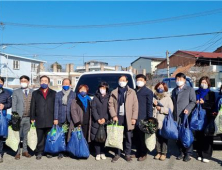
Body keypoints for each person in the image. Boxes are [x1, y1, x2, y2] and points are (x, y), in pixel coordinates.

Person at [109, 75, 138, 163]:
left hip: (128, 117)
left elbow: (135, 105)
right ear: (118, 81)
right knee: (118, 136)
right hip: (118, 117)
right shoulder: (114, 92)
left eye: (124, 80)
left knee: (128, 136)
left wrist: (134, 117)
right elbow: (110, 105)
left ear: (127, 81)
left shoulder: (131, 92)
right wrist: (113, 115)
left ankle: (127, 154)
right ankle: (117, 153)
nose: (122, 81)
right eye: (120, 80)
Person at [30, 75, 56, 160]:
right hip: (39, 118)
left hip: (50, 118)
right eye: (42, 81)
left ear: (48, 82)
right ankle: (39, 152)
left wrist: (55, 118)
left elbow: (56, 107)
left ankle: (48, 151)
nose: (44, 82)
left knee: (48, 137)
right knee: (40, 136)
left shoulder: (53, 93)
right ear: (40, 82)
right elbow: (32, 106)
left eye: (45, 81)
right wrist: (32, 117)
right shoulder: (35, 93)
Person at [171, 73, 196, 162]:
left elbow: (193, 102)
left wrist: (188, 109)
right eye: (177, 79)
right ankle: (181, 152)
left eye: (180, 79)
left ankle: (188, 153)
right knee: (178, 136)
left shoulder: (190, 89)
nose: (179, 81)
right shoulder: (174, 90)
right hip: (176, 116)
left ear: (185, 80)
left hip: (186, 116)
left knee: (186, 134)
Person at [54, 78, 76, 160]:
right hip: (61, 118)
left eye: (67, 83)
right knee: (61, 135)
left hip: (70, 118)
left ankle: (68, 150)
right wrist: (55, 118)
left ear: (70, 85)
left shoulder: (74, 94)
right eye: (64, 83)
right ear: (62, 84)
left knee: (69, 135)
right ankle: (61, 151)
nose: (66, 85)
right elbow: (56, 106)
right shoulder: (58, 94)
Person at [12, 75, 33, 160]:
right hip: (19, 118)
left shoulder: (32, 92)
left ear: (28, 82)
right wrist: (14, 117)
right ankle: (17, 152)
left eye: (25, 81)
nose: (23, 82)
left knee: (26, 135)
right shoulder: (16, 92)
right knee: (17, 135)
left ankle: (25, 151)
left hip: (28, 117)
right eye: (22, 81)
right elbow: (14, 105)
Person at [195, 76, 215, 163]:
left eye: (205, 83)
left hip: (207, 117)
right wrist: (195, 102)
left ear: (208, 84)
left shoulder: (211, 93)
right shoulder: (196, 92)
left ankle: (206, 155)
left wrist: (204, 103)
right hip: (197, 117)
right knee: (199, 136)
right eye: (202, 82)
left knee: (207, 136)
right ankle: (199, 153)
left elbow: (212, 105)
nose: (203, 84)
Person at [134, 74, 153, 161]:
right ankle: (138, 152)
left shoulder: (148, 92)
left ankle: (143, 153)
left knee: (142, 137)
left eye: (141, 80)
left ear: (145, 81)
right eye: (138, 79)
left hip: (143, 117)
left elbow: (149, 106)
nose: (139, 81)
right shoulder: (134, 91)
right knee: (136, 137)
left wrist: (149, 118)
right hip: (134, 117)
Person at [153, 82, 173, 161]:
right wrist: (153, 105)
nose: (160, 88)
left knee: (164, 137)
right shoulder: (154, 97)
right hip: (155, 120)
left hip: (163, 120)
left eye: (161, 87)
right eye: (158, 87)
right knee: (157, 137)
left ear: (165, 88)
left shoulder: (167, 98)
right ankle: (158, 152)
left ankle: (164, 153)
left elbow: (170, 110)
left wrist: (161, 109)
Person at [91, 82, 110, 161]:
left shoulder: (109, 97)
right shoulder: (95, 98)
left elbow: (110, 109)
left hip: (105, 121)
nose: (102, 89)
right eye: (101, 88)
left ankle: (103, 152)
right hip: (97, 121)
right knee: (97, 138)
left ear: (107, 89)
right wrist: (98, 118)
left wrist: (105, 118)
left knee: (104, 138)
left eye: (104, 88)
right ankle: (97, 153)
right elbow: (93, 109)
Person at [0, 76, 12, 163]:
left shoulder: (7, 93)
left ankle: (0, 154)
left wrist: (4, 106)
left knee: (0, 137)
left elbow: (10, 103)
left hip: (2, 117)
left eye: (0, 82)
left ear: (3, 83)